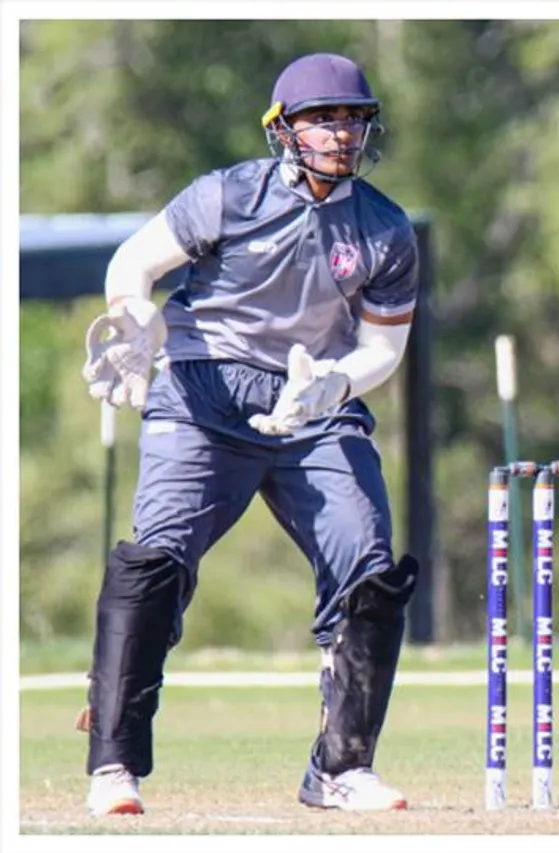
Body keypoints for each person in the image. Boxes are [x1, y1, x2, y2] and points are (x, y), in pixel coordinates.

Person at [77, 52, 421, 816]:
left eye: (353, 117)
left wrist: (335, 382)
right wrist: (135, 320)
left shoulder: (387, 228)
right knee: (154, 563)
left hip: (313, 403)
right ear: (284, 129)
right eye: (322, 118)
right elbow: (135, 263)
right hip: (203, 393)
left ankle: (341, 767)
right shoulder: (228, 195)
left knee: (370, 570)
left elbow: (383, 348)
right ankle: (113, 764)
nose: (340, 133)